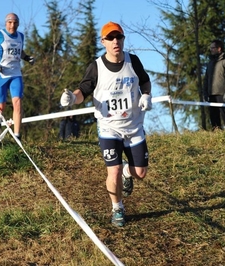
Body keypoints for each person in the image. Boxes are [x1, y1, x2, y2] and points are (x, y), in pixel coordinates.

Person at [60, 21, 152, 227]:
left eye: (118, 37)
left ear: (123, 39)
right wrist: (71, 99)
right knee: (114, 171)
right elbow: (82, 92)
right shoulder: (96, 67)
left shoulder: (133, 61)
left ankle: (130, 172)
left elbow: (145, 81)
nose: (115, 41)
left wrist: (146, 95)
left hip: (134, 126)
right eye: (110, 38)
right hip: (109, 128)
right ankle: (117, 208)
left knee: (140, 173)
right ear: (103, 42)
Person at [0, 13, 35, 140]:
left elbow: (19, 51)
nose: (12, 25)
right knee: (0, 107)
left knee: (17, 102)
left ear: (18, 24)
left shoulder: (21, 36)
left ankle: (17, 136)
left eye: (15, 23)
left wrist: (26, 58)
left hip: (15, 74)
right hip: (0, 75)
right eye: (10, 22)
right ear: (5, 23)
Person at [203, 39, 225, 130]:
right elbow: (206, 79)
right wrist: (205, 93)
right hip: (211, 95)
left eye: (213, 48)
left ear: (219, 48)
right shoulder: (210, 63)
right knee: (214, 119)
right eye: (210, 48)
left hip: (222, 94)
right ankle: (216, 135)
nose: (211, 50)